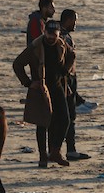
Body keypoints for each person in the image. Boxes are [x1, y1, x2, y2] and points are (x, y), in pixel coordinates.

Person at [13, 20, 72, 167]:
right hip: (41, 88)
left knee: (65, 119)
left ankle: (55, 151)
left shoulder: (62, 44)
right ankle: (43, 156)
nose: (51, 37)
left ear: (58, 34)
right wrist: (28, 82)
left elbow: (72, 55)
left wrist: (65, 70)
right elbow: (17, 64)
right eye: (49, 34)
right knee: (42, 122)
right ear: (44, 32)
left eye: (54, 35)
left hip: (58, 87)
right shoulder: (35, 46)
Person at [58, 10, 90, 162]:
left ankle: (65, 150)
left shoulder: (62, 35)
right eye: (74, 21)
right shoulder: (61, 37)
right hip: (65, 80)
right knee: (67, 118)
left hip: (67, 80)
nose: (76, 24)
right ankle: (68, 150)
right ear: (68, 20)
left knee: (68, 117)